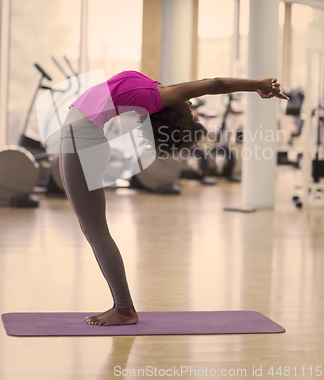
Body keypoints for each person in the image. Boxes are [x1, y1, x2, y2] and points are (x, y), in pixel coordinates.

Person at [59, 71, 288, 326]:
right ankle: (121, 306)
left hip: (81, 142)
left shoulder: (157, 96)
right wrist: (255, 83)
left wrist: (257, 83)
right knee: (92, 230)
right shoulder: (154, 90)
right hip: (78, 139)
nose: (190, 103)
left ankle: (124, 309)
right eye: (190, 109)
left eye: (188, 110)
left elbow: (215, 84)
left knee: (95, 232)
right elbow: (204, 84)